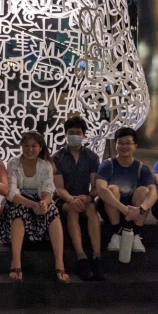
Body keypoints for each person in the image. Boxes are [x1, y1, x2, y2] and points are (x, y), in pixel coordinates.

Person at [0, 131, 69, 282]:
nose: (30, 149)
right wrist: (33, 205)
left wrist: (44, 202)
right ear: (21, 147)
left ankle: (59, 262)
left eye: (34, 146)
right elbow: (12, 193)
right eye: (26, 146)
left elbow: (48, 190)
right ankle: (16, 262)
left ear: (40, 147)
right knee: (19, 210)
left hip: (37, 200)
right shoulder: (13, 163)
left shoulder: (46, 165)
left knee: (53, 210)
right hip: (19, 200)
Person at [95, 127, 158, 265]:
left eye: (128, 143)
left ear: (135, 146)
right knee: (111, 189)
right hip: (111, 209)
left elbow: (154, 192)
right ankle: (116, 233)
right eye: (121, 143)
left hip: (135, 212)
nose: (124, 146)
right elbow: (100, 189)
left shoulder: (142, 168)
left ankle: (136, 234)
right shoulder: (108, 165)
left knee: (144, 191)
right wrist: (124, 209)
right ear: (115, 144)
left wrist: (140, 209)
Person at [53, 116, 102, 281]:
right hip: (64, 199)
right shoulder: (57, 158)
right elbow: (58, 187)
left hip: (84, 197)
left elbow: (96, 186)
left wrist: (88, 197)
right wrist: (71, 199)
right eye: (71, 132)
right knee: (73, 209)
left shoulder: (92, 157)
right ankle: (81, 257)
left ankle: (96, 256)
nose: (75, 135)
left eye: (78, 132)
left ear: (84, 135)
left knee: (91, 209)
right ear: (66, 134)